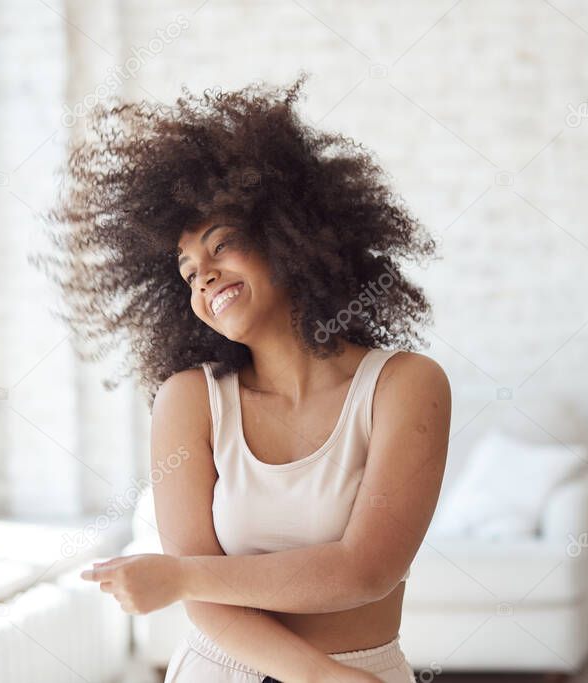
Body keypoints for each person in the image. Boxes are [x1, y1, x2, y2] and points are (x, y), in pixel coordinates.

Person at [39, 71, 451, 682]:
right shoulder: (189, 401)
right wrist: (322, 679)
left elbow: (366, 569)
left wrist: (178, 576)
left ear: (292, 236)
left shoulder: (405, 385)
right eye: (186, 273)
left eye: (221, 246)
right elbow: (210, 607)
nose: (202, 276)